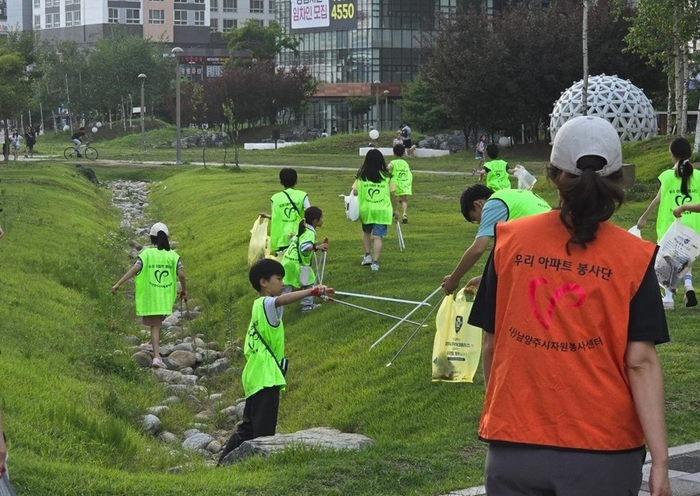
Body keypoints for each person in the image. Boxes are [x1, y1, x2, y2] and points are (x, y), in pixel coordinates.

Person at [469, 116, 671, 496]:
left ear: (551, 175)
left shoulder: (510, 241)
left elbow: (492, 344)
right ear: (618, 180)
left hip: (514, 446)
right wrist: (660, 460)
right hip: (603, 451)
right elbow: (640, 361)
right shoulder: (635, 257)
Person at [217, 259, 329, 464]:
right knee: (263, 430)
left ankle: (224, 464)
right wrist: (311, 291)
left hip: (256, 374)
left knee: (248, 427)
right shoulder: (266, 303)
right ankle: (261, 466)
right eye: (279, 279)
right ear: (264, 282)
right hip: (266, 376)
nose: (282, 283)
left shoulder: (257, 306)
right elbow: (281, 300)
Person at [442, 184, 550, 294]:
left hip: (541, 258)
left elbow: (478, 249)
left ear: (478, 204)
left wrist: (454, 279)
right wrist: (486, 278)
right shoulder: (515, 196)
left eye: (475, 219)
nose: (480, 223)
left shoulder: (493, 204)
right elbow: (511, 256)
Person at [111, 222, 187, 369]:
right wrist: (184, 290)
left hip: (150, 296)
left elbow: (134, 270)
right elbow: (182, 275)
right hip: (165, 296)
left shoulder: (146, 254)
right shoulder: (173, 256)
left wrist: (118, 284)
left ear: (152, 238)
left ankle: (155, 354)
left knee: (155, 325)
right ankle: (156, 355)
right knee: (156, 324)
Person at [637, 136, 699, 309]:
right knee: (686, 258)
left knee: (667, 261)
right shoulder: (698, 176)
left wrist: (644, 217)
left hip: (670, 223)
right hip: (693, 223)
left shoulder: (666, 176)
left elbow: (658, 199)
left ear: (671, 153)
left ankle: (669, 298)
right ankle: (688, 286)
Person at [352, 149, 399, 272]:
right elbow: (393, 195)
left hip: (366, 210)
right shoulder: (387, 177)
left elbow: (355, 192)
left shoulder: (362, 176)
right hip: (382, 211)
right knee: (378, 237)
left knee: (366, 233)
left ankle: (367, 256)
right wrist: (395, 210)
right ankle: (375, 262)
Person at [281, 207, 328, 313]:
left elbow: (295, 240)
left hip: (288, 261)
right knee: (308, 283)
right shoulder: (310, 233)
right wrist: (317, 246)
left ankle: (275, 306)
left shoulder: (303, 228)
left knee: (287, 286)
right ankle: (307, 306)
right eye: (321, 218)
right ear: (315, 221)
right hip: (298, 263)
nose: (323, 220)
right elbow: (304, 247)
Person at [260, 168, 310, 255]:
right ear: (296, 181)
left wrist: (268, 216)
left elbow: (278, 217)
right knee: (298, 263)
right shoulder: (302, 195)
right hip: (298, 235)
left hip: (281, 238)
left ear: (281, 182)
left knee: (283, 264)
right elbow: (310, 213)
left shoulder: (275, 198)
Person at [387, 143, 413, 224]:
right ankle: (404, 214)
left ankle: (394, 212)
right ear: (403, 153)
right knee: (403, 199)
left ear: (394, 153)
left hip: (395, 183)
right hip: (404, 183)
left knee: (392, 198)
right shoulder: (405, 163)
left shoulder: (393, 162)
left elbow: (389, 167)